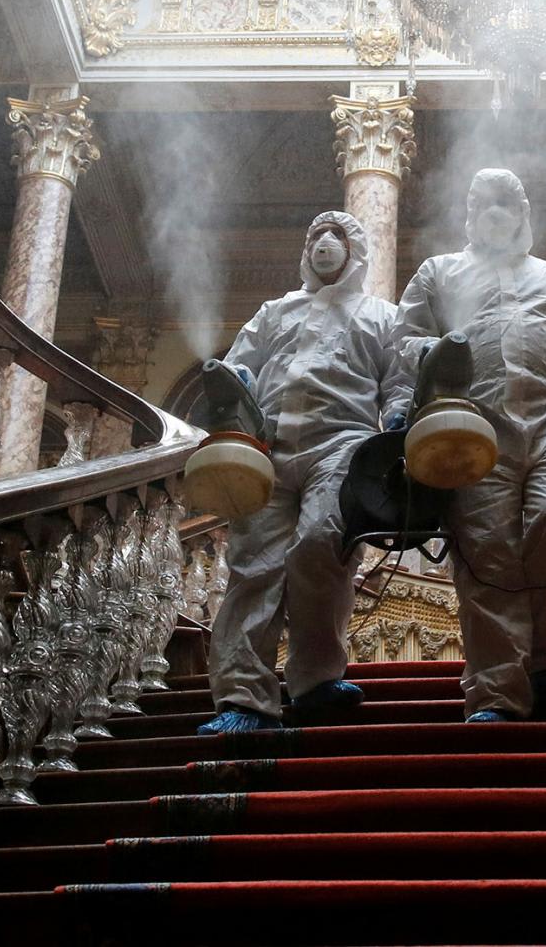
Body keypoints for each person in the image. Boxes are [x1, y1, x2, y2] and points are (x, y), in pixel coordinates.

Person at [397, 169, 546, 721]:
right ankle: (496, 692)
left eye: (506, 201)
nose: (496, 211)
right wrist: (432, 357)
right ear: (470, 211)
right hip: (474, 426)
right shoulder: (438, 273)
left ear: (523, 210)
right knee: (486, 550)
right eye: (486, 201)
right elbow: (402, 342)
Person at [199, 210, 410, 735]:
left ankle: (316, 680)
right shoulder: (275, 312)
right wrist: (229, 384)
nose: (325, 243)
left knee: (323, 546)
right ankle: (243, 700)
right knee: (254, 565)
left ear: (355, 250)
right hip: (267, 446)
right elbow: (242, 366)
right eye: (317, 235)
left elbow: (399, 380)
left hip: (343, 444)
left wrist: (399, 421)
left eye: (336, 236)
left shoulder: (382, 316)